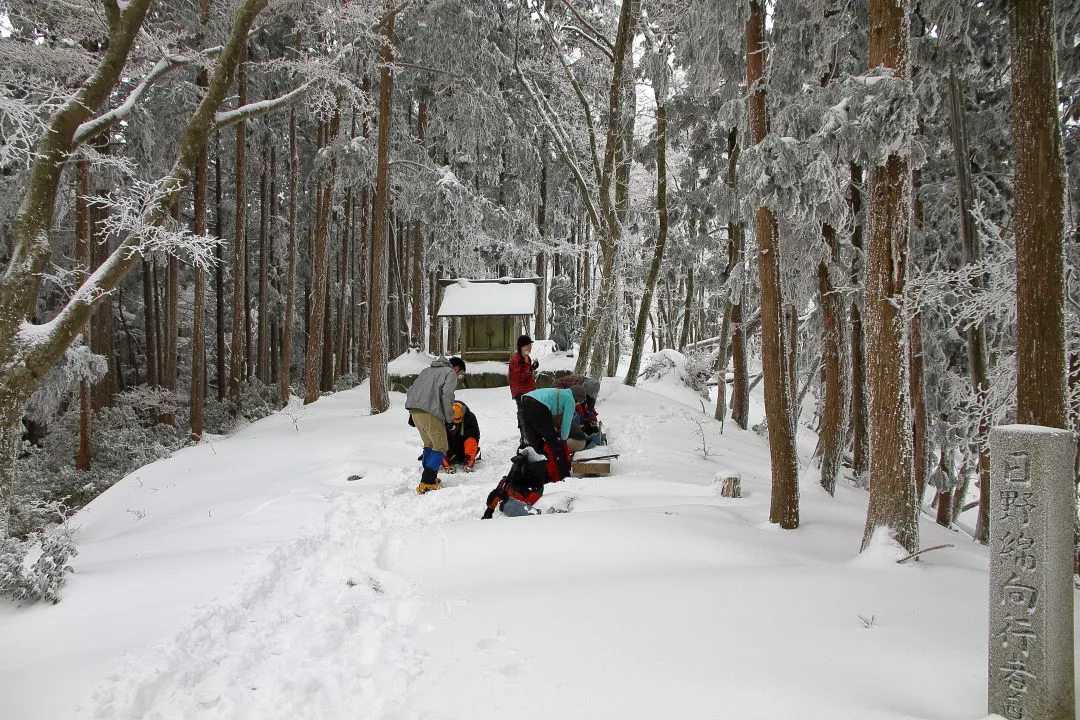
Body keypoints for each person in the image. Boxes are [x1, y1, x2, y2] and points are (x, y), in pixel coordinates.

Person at [405, 356, 466, 494]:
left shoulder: (425, 371)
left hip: (416, 413)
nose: (459, 376)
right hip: (431, 414)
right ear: (456, 368)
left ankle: (429, 479)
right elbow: (447, 397)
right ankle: (427, 482)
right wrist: (450, 419)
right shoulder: (449, 373)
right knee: (441, 447)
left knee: (429, 445)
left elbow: (411, 390)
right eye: (460, 373)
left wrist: (411, 411)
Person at [517, 385, 585, 480]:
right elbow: (566, 422)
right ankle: (564, 476)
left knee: (537, 443)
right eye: (579, 402)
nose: (577, 404)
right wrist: (564, 440)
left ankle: (543, 473)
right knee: (555, 446)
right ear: (577, 397)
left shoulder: (558, 392)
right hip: (539, 406)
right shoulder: (570, 398)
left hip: (524, 402)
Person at [443, 400, 480, 472]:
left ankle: (469, 461)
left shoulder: (470, 418)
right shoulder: (443, 418)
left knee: (471, 438)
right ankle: (446, 463)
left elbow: (475, 437)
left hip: (464, 451)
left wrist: (469, 455)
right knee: (440, 441)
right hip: (451, 451)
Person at [508, 334, 539, 406]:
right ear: (522, 347)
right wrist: (531, 368)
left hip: (528, 390)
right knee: (523, 414)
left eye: (531, 345)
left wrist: (533, 367)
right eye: (528, 345)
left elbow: (527, 372)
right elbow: (519, 377)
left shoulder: (526, 357)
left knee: (531, 413)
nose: (530, 347)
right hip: (520, 392)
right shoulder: (516, 359)